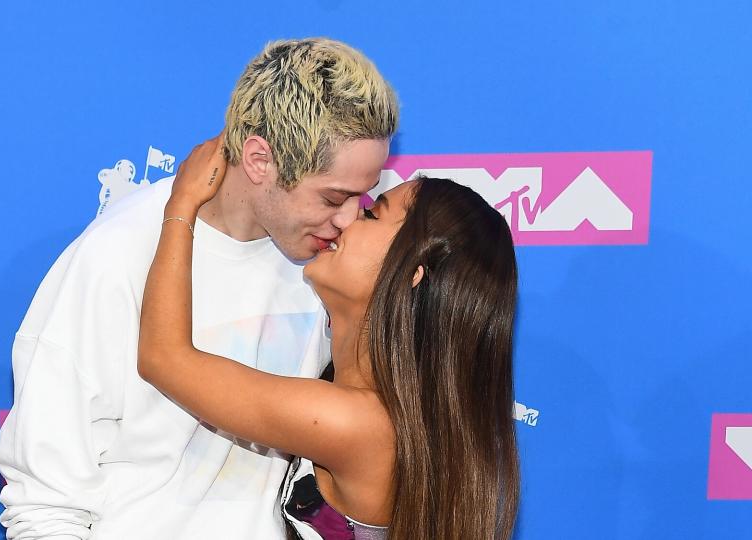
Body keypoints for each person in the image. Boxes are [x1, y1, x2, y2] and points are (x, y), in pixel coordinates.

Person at [0, 37, 398, 539]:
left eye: (363, 197)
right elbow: (45, 503)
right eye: (333, 196)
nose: (348, 220)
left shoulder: (332, 270)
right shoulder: (119, 255)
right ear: (258, 160)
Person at [138, 138, 521, 540]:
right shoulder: (388, 412)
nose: (346, 219)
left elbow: (163, 358)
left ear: (414, 274)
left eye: (372, 215)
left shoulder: (356, 423)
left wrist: (182, 204)